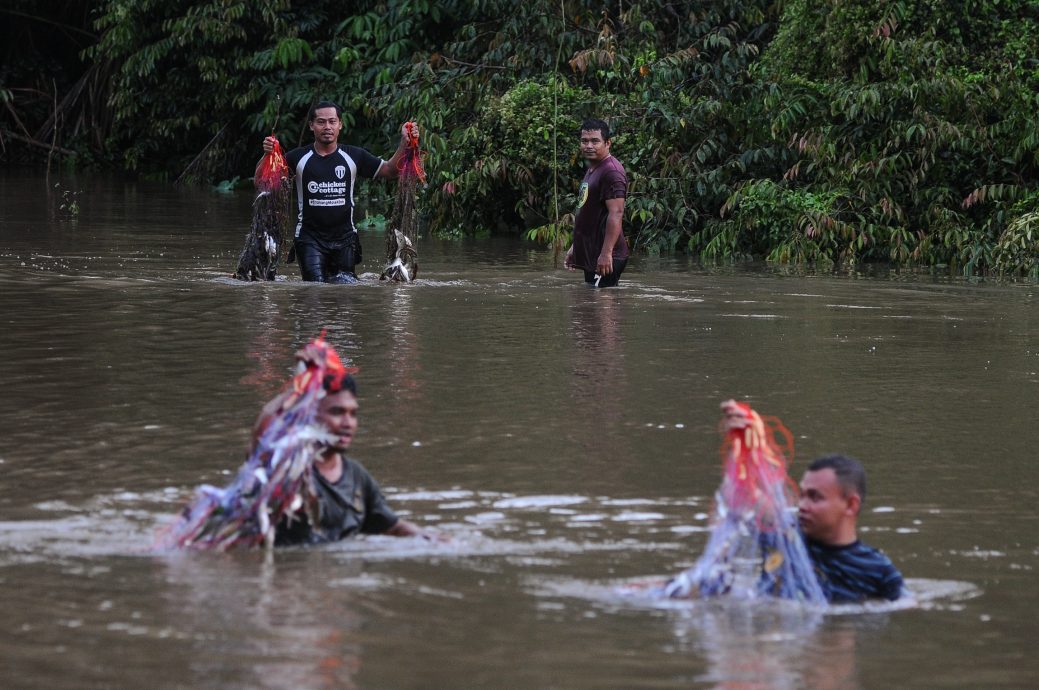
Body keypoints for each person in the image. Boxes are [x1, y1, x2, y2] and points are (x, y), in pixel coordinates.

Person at [268, 358, 432, 545]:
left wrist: (438, 540)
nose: (348, 424)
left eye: (353, 414)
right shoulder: (283, 472)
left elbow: (392, 526)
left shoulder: (357, 476)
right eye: (337, 412)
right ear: (309, 415)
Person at [262, 100, 415, 283]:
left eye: (332, 121)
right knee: (314, 291)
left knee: (344, 293)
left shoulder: (354, 156)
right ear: (311, 125)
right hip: (309, 239)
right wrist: (268, 155)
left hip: (345, 240)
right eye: (321, 122)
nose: (327, 126)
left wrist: (404, 143)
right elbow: (263, 181)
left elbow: (390, 170)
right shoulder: (299, 157)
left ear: (340, 124)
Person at [798, 454, 905, 603]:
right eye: (801, 495)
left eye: (815, 497)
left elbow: (906, 606)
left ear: (851, 505)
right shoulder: (787, 540)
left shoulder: (879, 571)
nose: (802, 506)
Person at [564, 118, 630, 288]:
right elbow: (589, 213)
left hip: (607, 255)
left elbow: (616, 213)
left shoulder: (611, 172)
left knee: (603, 308)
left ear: (608, 143)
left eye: (595, 141)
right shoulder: (594, 168)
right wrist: (575, 247)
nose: (589, 146)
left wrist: (606, 253)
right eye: (584, 141)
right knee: (589, 307)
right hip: (594, 254)